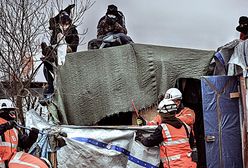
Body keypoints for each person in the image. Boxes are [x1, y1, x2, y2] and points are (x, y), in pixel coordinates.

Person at [135, 99, 196, 168]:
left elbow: (149, 142)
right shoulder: (185, 126)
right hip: (188, 164)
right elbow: (190, 144)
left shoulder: (163, 128)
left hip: (174, 166)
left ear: (162, 114)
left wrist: (140, 138)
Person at [0, 99, 49, 168]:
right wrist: (5, 127)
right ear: (2, 111)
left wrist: (32, 136)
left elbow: (25, 144)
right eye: (11, 112)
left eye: (14, 112)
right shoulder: (5, 126)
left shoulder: (14, 129)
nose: (13, 114)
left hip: (11, 163)